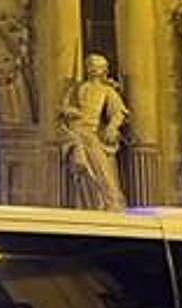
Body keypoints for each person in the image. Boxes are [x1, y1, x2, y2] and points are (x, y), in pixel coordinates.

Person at [60, 54, 129, 211]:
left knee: (103, 174)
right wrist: (70, 111)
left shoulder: (107, 91)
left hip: (93, 135)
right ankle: (87, 204)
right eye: (90, 65)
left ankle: (109, 205)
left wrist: (112, 127)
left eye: (96, 66)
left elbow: (119, 112)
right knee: (82, 173)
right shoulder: (77, 88)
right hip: (76, 133)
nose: (92, 69)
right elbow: (64, 108)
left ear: (103, 70)